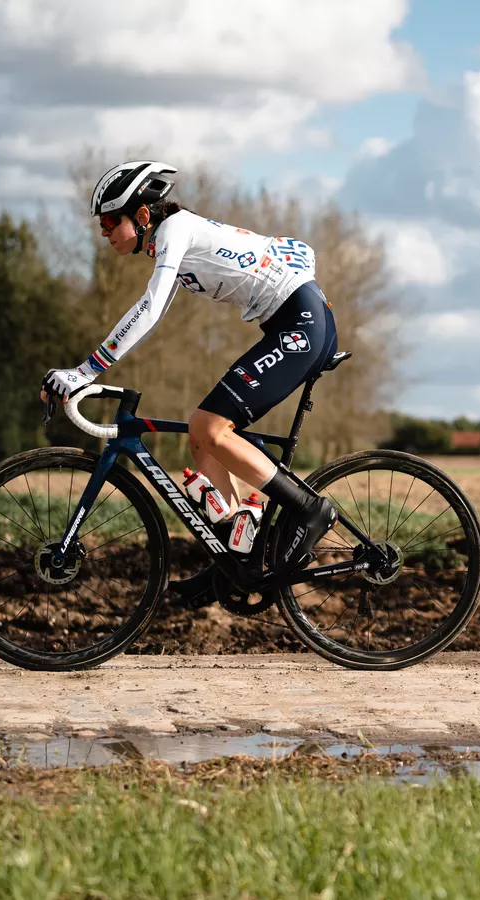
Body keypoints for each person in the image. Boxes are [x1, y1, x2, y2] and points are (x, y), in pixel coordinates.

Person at [41, 160, 337, 606]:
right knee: (202, 439)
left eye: (108, 220)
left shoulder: (174, 231)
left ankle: (309, 509)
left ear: (143, 216)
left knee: (213, 428)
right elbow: (293, 249)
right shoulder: (176, 241)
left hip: (300, 324)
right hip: (298, 321)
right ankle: (236, 560)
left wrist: (84, 371)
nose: (103, 232)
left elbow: (151, 308)